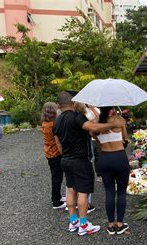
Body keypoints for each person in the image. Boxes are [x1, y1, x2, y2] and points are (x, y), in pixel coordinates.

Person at [53, 92, 125, 236]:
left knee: (70, 189)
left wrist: (64, 155)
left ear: (59, 105)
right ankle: (84, 224)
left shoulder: (58, 119)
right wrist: (113, 123)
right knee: (83, 192)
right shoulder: (76, 117)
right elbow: (93, 128)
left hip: (65, 159)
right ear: (73, 103)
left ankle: (73, 221)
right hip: (80, 159)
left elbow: (57, 141)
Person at [97, 106, 131, 235]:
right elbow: (125, 138)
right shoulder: (119, 119)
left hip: (105, 158)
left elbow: (97, 140)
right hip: (119, 157)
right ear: (111, 107)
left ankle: (111, 224)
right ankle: (120, 224)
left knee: (109, 192)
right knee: (121, 192)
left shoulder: (97, 123)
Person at [41, 102, 66, 209]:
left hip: (49, 152)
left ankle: (57, 196)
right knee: (57, 177)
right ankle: (56, 201)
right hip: (55, 153)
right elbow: (58, 139)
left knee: (56, 176)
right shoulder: (53, 125)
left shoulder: (45, 123)